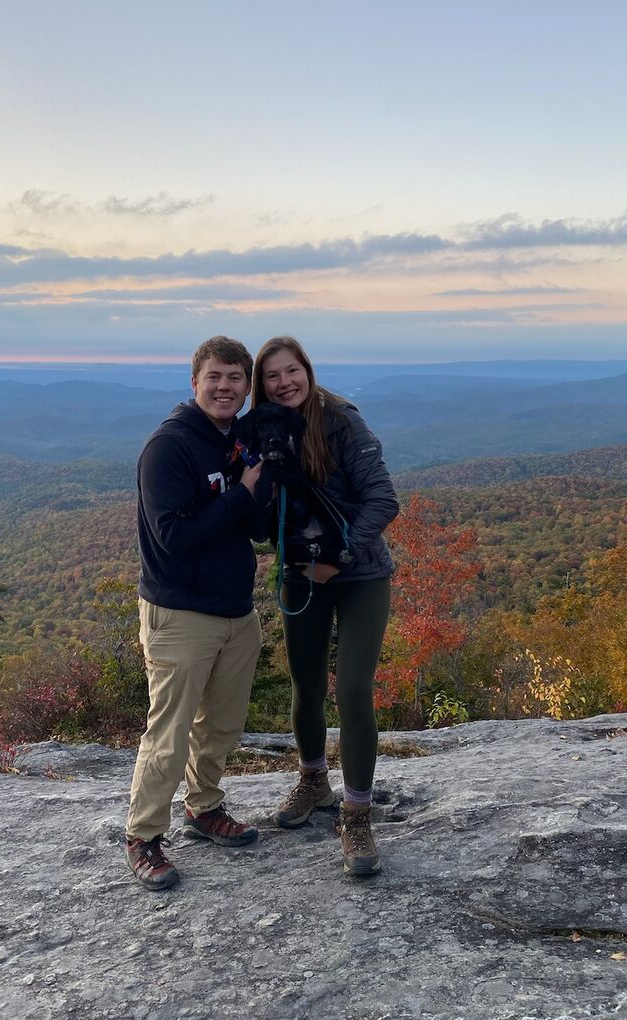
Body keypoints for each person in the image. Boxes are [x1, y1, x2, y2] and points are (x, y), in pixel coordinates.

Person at [251, 336, 399, 876]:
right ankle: (314, 781)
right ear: (259, 385)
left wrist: (339, 556)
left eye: (293, 371)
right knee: (305, 682)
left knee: (354, 688)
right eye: (273, 375)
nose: (285, 382)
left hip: (359, 574)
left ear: (308, 372)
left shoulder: (341, 420)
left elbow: (383, 498)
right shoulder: (261, 432)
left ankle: (356, 815)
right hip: (300, 574)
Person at [125, 336, 264, 891]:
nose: (225, 387)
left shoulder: (238, 445)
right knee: (170, 731)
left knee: (223, 725)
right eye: (215, 377)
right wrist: (240, 495)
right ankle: (142, 836)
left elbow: (252, 527)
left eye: (235, 378)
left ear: (247, 387)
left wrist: (262, 489)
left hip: (236, 612)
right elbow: (174, 537)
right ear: (195, 382)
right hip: (179, 613)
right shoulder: (170, 448)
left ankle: (203, 806)